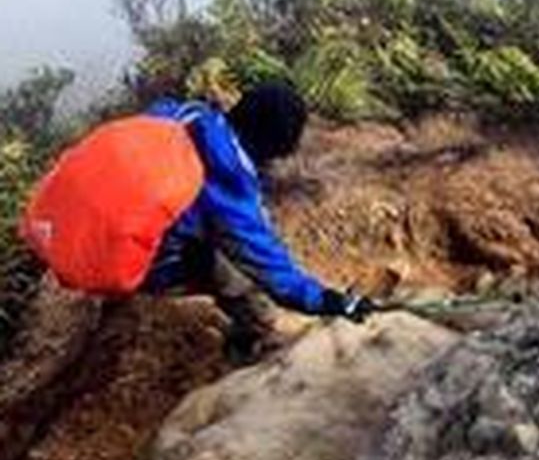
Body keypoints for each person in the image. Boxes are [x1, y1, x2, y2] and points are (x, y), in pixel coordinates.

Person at [139, 84, 373, 361]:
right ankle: (253, 344)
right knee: (237, 276)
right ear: (270, 147)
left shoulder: (184, 116)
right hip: (144, 263)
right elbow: (270, 270)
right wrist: (330, 301)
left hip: (113, 221)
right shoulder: (228, 184)